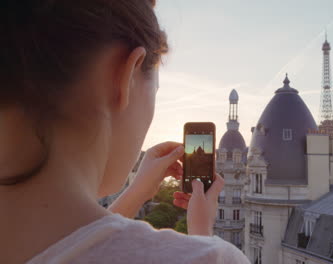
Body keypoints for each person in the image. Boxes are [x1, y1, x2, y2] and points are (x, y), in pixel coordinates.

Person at [0, 1, 249, 263]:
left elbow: (74, 245)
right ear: (123, 75)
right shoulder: (204, 258)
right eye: (155, 89)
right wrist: (203, 237)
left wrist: (137, 192)